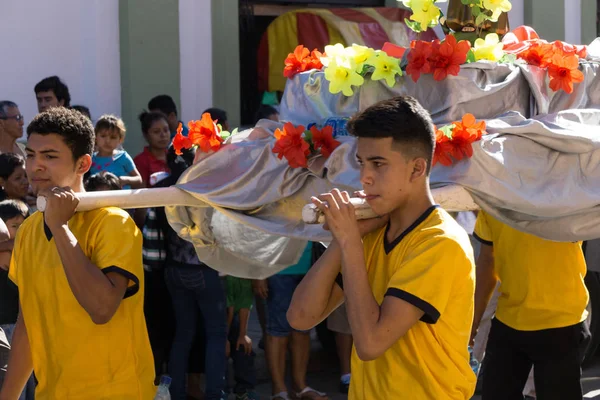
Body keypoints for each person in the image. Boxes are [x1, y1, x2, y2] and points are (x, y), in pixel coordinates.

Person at [287, 96, 477, 399]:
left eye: (378, 164)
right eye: (362, 163)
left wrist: (350, 242)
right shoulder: (372, 234)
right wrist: (341, 241)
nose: (364, 177)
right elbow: (299, 317)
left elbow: (370, 344)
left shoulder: (441, 242)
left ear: (416, 170)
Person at [0, 107, 155, 399]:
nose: (36, 166)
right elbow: (28, 325)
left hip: (115, 392)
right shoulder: (30, 230)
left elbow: (101, 308)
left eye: (50, 156)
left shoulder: (113, 222)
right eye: (31, 155)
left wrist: (59, 227)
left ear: (83, 164)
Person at [471, 210, 590, 399]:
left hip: (562, 324)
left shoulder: (567, 191)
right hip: (508, 321)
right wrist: (474, 322)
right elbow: (487, 260)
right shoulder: (494, 197)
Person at [152, 146, 227, 400]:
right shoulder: (205, 186)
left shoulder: (163, 187)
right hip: (203, 270)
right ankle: (215, 393)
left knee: (183, 334)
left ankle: (176, 393)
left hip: (173, 270)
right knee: (216, 335)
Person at [254, 242, 328, 400]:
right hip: (276, 269)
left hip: (309, 267)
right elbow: (260, 232)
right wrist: (260, 274)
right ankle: (279, 390)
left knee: (302, 330)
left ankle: (300, 387)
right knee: (277, 332)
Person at [0, 199, 33, 400]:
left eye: (24, 226)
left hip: (22, 324)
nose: (20, 231)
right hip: (9, 325)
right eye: (15, 226)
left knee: (25, 383)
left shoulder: (25, 250)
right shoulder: (10, 251)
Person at [225, 276, 257, 400]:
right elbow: (229, 309)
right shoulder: (226, 278)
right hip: (220, 318)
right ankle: (221, 390)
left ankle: (244, 390)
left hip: (235, 317)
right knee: (219, 349)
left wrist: (243, 334)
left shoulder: (245, 279)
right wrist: (224, 338)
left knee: (244, 347)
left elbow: (245, 304)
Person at [91, 115, 143, 189]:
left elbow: (138, 179)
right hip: (99, 199)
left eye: (113, 137)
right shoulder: (91, 160)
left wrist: (126, 180)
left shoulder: (123, 157)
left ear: (120, 139)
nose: (108, 141)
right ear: (95, 137)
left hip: (122, 199)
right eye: (103, 136)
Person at [134, 111, 170, 186]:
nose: (163, 135)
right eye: (156, 132)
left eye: (166, 130)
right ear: (146, 135)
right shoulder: (140, 161)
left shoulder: (176, 157)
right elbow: (140, 194)